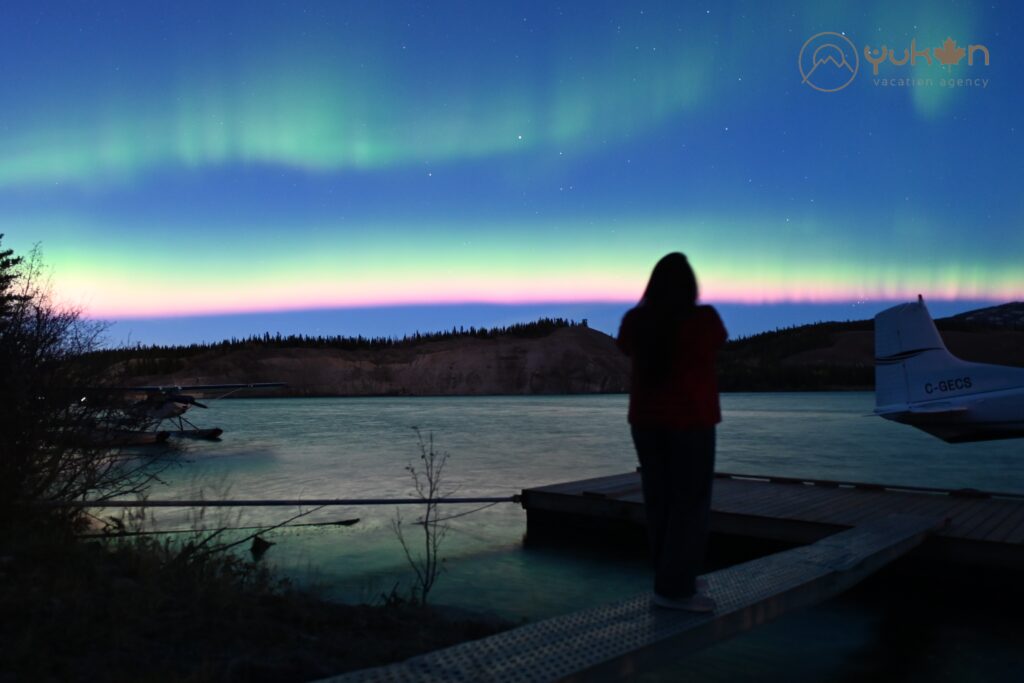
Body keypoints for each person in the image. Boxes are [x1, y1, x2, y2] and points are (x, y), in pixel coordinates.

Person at [617, 252, 727, 612]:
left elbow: (623, 344)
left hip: (646, 423)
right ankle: (675, 589)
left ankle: (672, 577)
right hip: (692, 420)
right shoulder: (703, 319)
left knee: (660, 501)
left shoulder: (636, 320)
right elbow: (719, 342)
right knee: (690, 504)